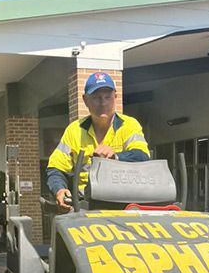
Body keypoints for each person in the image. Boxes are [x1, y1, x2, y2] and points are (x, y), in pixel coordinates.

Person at [46, 72, 150, 209]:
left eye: (108, 97)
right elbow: (55, 168)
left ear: (116, 97)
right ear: (85, 100)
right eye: (96, 97)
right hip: (85, 205)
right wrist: (59, 189)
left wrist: (116, 156)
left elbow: (142, 156)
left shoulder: (129, 125)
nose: (103, 102)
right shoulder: (74, 131)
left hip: (125, 204)